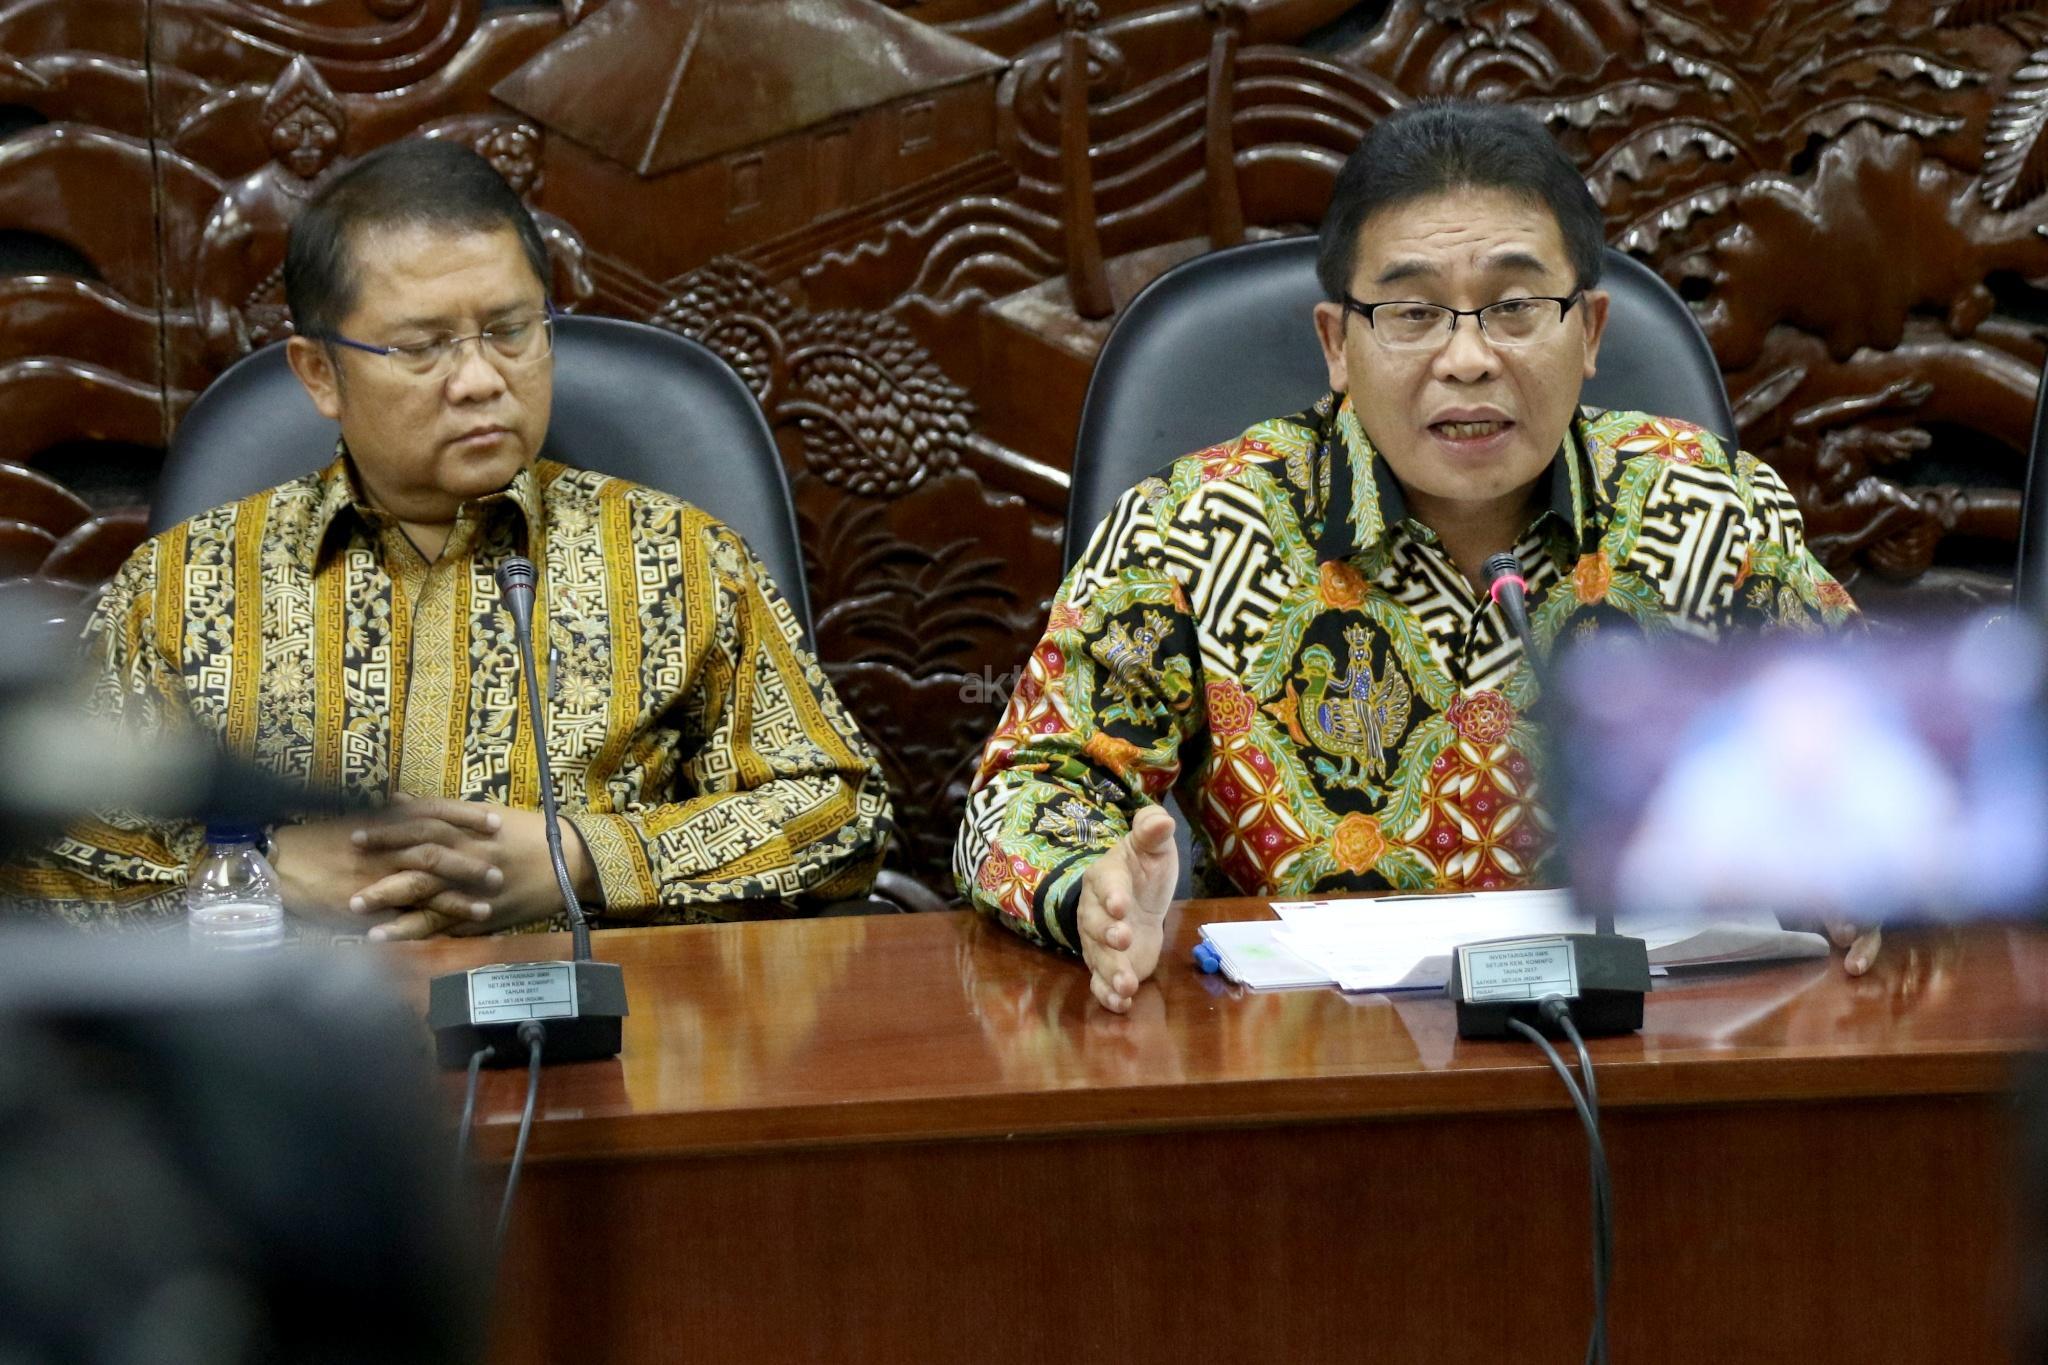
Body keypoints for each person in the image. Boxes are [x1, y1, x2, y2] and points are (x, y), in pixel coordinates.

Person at [953, 100, 1864, 1013]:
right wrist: (1090, 890)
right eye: (1414, 312)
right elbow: (1028, 787)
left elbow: (1875, 756)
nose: (1467, 358)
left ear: (1589, 332)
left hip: (1654, 1051)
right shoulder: (1189, 530)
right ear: (1336, 343)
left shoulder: (1710, 510)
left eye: (1514, 308)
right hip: (1316, 1059)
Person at [9, 138, 892, 938]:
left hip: (610, 1041)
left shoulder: (679, 556)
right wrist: (256, 878)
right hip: (300, 1044)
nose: (479, 380)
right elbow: (44, 867)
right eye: (424, 347)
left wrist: (585, 858)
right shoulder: (186, 583)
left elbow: (843, 814)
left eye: (510, 331)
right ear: (320, 373)